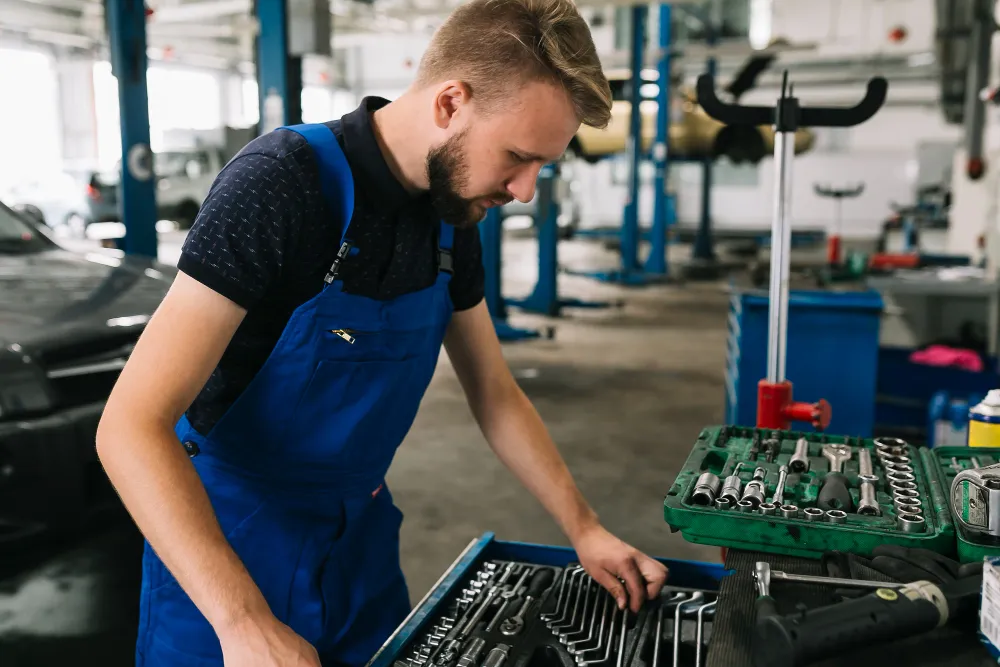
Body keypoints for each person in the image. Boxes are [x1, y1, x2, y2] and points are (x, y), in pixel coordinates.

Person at [96, 0, 669, 664]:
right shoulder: (282, 185)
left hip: (359, 550)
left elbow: (494, 391)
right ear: (451, 103)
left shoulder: (452, 219)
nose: (526, 189)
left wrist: (584, 527)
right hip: (227, 552)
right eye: (516, 156)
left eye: (542, 165)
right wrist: (243, 620)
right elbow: (131, 426)